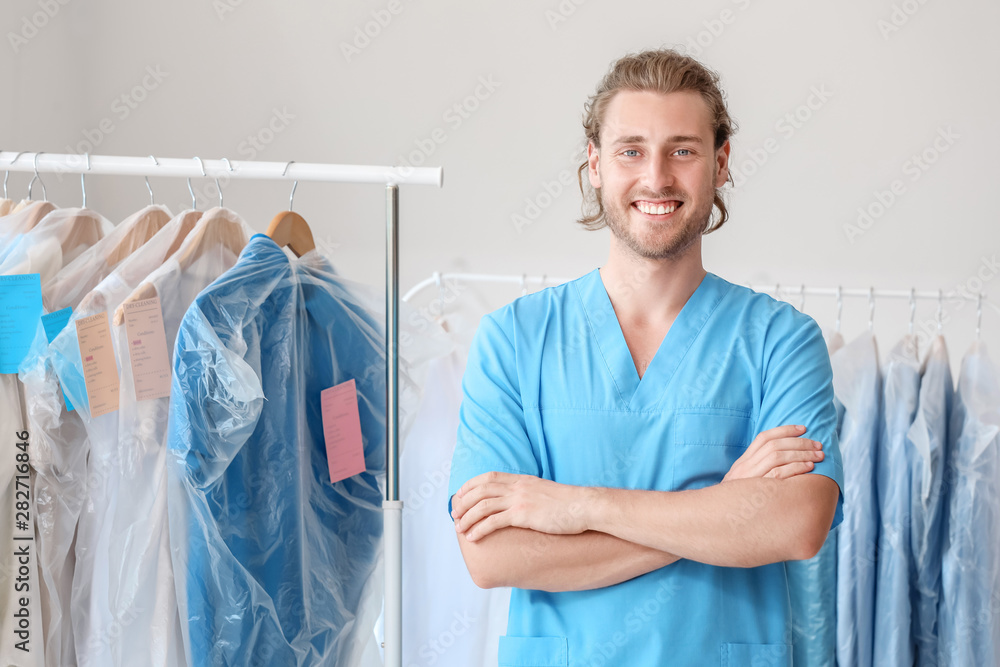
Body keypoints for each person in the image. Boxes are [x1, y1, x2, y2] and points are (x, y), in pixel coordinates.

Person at [448, 48, 844, 666]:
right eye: (631, 150)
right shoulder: (514, 341)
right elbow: (493, 555)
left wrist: (575, 507)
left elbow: (795, 524)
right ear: (595, 164)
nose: (656, 177)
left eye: (682, 150)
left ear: (721, 163)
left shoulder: (781, 341)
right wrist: (723, 505)